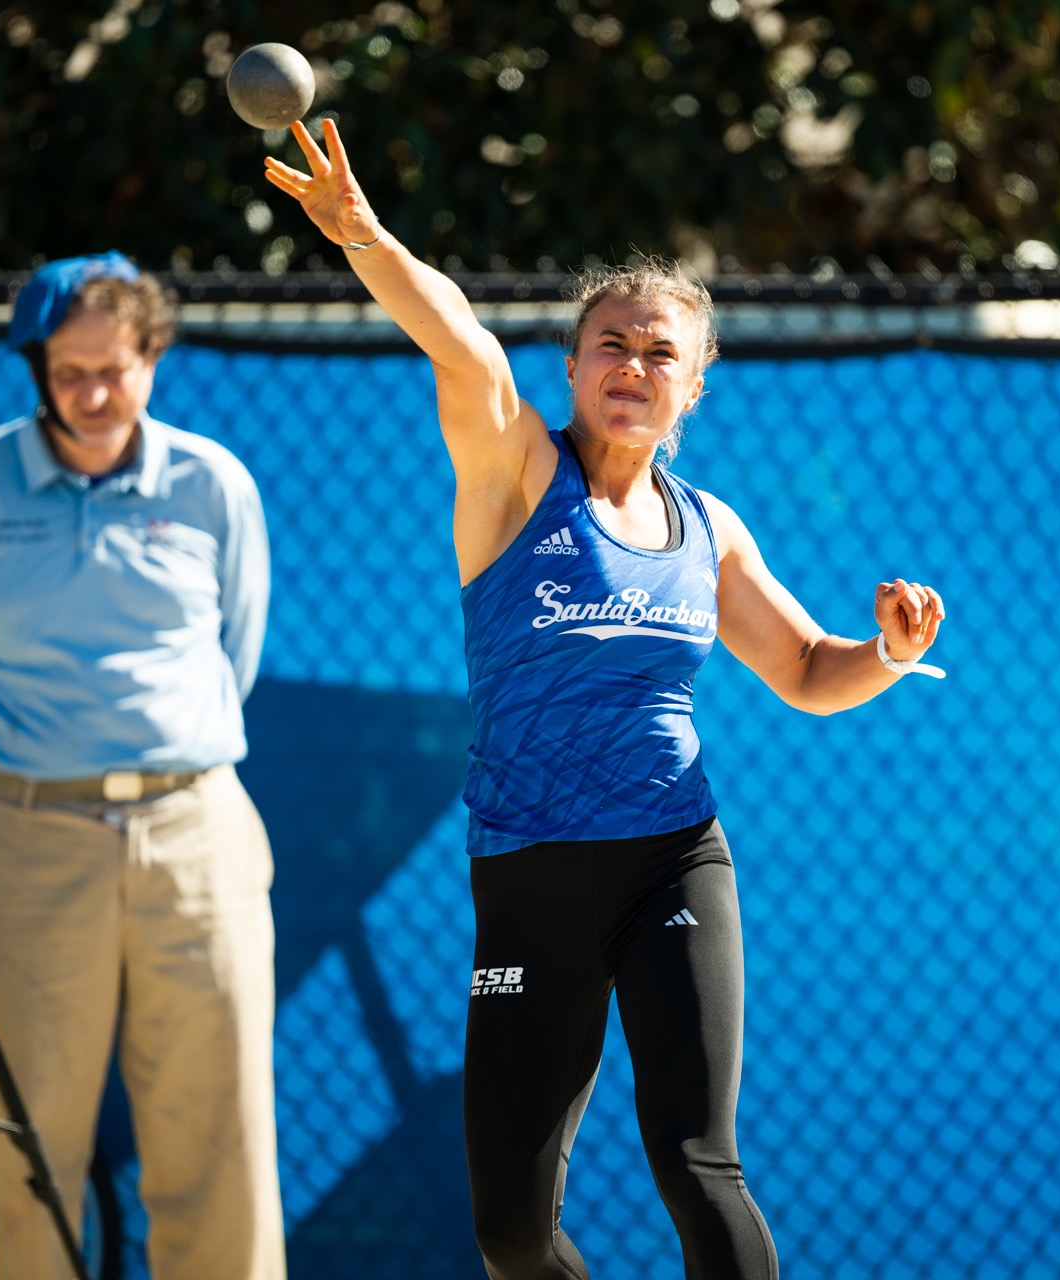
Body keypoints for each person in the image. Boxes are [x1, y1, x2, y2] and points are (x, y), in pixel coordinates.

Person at [263, 122, 946, 1280]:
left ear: (693, 384)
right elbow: (462, 349)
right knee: (512, 1231)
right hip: (529, 869)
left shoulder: (710, 526)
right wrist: (366, 237)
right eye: (609, 344)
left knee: (698, 1162)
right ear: (574, 368)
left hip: (672, 859)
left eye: (659, 351)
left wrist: (883, 649)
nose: (633, 363)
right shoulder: (520, 473)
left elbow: (808, 672)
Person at [0, 253, 284, 1279]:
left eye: (116, 368)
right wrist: (34, 767)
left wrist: (163, 757)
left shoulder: (212, 483)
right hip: (18, 840)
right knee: (27, 1149)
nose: (95, 394)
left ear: (151, 357)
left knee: (221, 1145)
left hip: (196, 832)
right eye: (69, 372)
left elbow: (234, 651)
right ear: (35, 370)